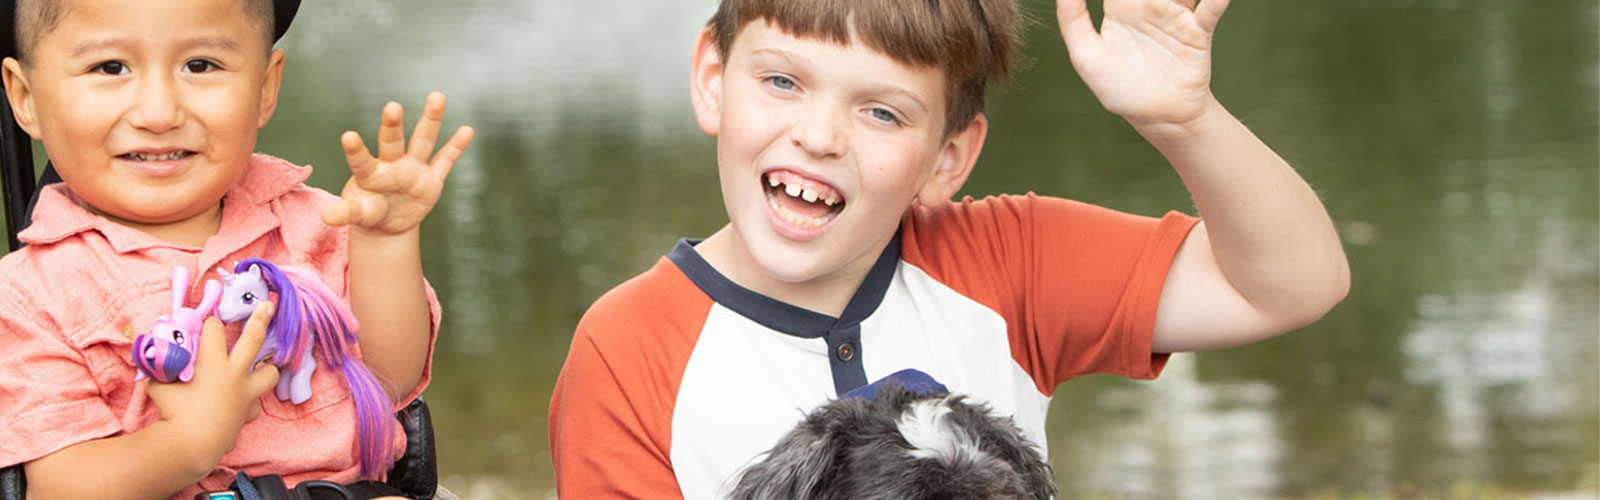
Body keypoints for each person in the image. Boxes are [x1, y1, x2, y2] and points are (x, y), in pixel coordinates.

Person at [548, 0, 1350, 498]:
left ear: (949, 160)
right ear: (713, 77)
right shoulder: (626, 350)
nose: (819, 136)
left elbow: (1291, 285)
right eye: (784, 81)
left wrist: (1183, 119)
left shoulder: (1007, 258)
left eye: (882, 113)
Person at [0, 0, 473, 498]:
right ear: (26, 97)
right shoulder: (28, 296)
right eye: (109, 67)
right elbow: (59, 487)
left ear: (265, 87)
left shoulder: (316, 223)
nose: (159, 113)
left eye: (200, 65)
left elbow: (390, 379)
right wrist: (188, 443)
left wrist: (386, 242)